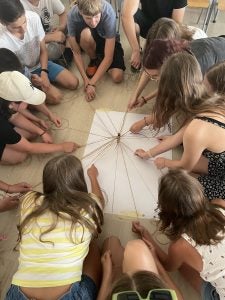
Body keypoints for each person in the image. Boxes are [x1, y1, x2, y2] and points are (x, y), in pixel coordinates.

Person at [6, 154, 104, 300]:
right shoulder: (89, 207)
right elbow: (99, 199)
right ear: (79, 182)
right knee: (93, 246)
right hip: (69, 296)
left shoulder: (29, 200)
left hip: (18, 294)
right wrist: (93, 177)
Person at [134, 52, 225, 201]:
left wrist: (165, 162)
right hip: (219, 154)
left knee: (186, 193)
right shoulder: (212, 101)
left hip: (221, 168)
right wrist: (149, 154)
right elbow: (178, 136)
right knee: (189, 154)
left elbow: (185, 167)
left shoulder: (197, 129)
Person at [131, 168, 225, 300]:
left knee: (183, 266)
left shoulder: (181, 246)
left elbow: (168, 266)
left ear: (167, 210)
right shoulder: (220, 204)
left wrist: (147, 236)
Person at [0, 0, 78, 104]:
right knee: (56, 97)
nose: (23, 29)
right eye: (16, 27)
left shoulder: (33, 17)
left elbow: (43, 50)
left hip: (40, 64)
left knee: (74, 83)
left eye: (24, 22)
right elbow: (14, 75)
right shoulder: (2, 41)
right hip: (24, 74)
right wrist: (33, 80)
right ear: (3, 23)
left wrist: (44, 72)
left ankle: (49, 76)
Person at [0, 71, 78, 164]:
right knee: (19, 156)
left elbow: (14, 117)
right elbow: (29, 148)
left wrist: (41, 132)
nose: (29, 104)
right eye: (26, 101)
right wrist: (62, 147)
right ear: (11, 104)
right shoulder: (3, 127)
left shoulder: (5, 88)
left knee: (32, 132)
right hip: (2, 128)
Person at [128, 36, 225, 111]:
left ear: (169, 67)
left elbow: (172, 85)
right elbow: (150, 71)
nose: (156, 80)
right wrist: (136, 95)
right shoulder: (170, 52)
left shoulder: (194, 72)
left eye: (155, 76)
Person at [67, 0, 125, 101]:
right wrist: (86, 80)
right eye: (88, 18)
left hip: (106, 39)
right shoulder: (72, 14)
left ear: (101, 10)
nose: (93, 22)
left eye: (97, 17)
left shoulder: (108, 12)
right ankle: (94, 59)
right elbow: (76, 52)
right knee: (85, 35)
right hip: (88, 36)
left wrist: (92, 83)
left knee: (117, 77)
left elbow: (109, 57)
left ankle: (99, 59)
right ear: (80, 12)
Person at [97, 237, 183, 300]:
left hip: (114, 276)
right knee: (137, 246)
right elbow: (179, 297)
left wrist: (107, 275)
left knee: (112, 241)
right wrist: (156, 261)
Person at [0, 47, 61, 127]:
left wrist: (49, 115)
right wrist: (39, 131)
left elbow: (28, 95)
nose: (26, 105)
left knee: (55, 97)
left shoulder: (19, 71)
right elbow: (13, 116)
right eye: (21, 100)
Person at [121, 0, 187, 71]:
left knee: (158, 65)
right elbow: (126, 15)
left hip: (165, 29)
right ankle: (138, 50)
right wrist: (135, 50)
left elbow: (176, 26)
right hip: (147, 24)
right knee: (130, 14)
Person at [20, 0, 73, 67]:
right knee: (50, 52)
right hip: (34, 42)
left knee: (71, 22)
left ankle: (65, 50)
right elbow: (25, 39)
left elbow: (63, 13)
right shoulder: (20, 6)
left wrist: (61, 27)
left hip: (51, 32)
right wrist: (51, 37)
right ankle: (66, 51)